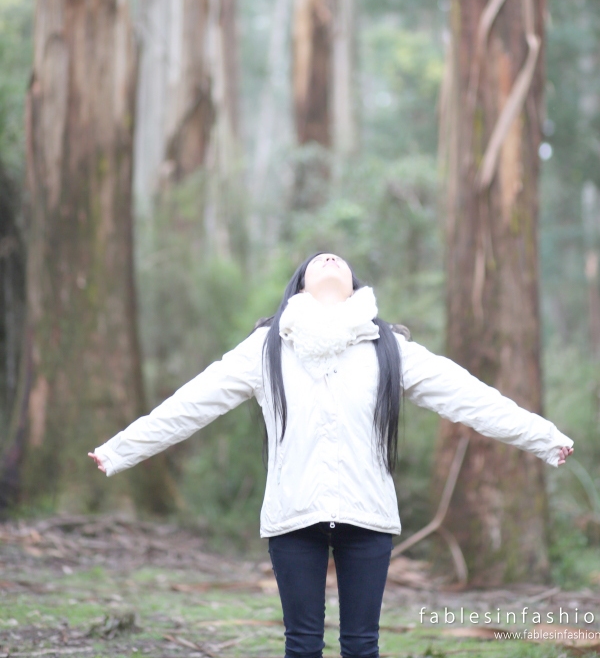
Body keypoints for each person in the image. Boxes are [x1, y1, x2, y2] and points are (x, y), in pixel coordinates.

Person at [89, 251, 574, 658]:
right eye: (318, 261)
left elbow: (472, 399)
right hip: (292, 518)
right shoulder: (265, 349)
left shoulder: (390, 349)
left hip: (368, 518)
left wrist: (544, 437)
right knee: (301, 645)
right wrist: (119, 451)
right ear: (298, 285)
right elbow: (190, 406)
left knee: (362, 646)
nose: (329, 259)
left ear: (354, 286)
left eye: (339, 262)